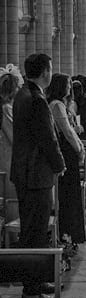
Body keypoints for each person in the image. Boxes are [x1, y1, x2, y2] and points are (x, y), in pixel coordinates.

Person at [10, 53, 66, 298]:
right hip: (36, 175)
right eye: (50, 69)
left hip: (24, 173)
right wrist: (60, 164)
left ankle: (37, 279)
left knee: (34, 230)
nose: (51, 73)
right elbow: (47, 138)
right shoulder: (36, 98)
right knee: (34, 232)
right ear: (45, 71)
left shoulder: (23, 94)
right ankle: (31, 291)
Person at [47, 74, 86, 253]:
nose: (70, 87)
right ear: (60, 86)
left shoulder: (61, 104)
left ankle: (69, 233)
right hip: (66, 152)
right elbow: (67, 131)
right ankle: (66, 233)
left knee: (71, 193)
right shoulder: (56, 105)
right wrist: (80, 149)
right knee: (68, 194)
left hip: (68, 151)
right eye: (68, 84)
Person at [0, 64, 23, 200]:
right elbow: (14, 137)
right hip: (8, 156)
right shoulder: (6, 108)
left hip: (8, 154)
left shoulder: (8, 107)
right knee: (10, 193)